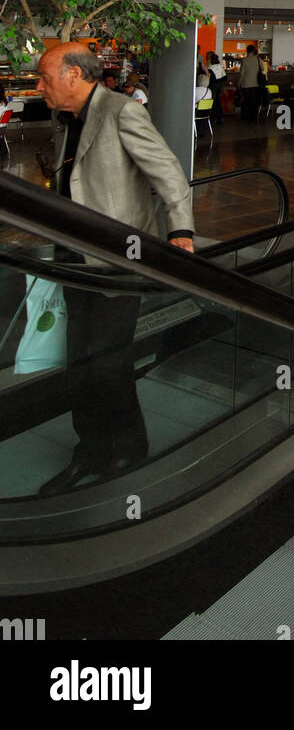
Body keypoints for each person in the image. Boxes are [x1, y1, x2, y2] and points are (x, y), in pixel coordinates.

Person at [34, 43, 195, 495]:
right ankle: (88, 450)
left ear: (73, 75)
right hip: (73, 259)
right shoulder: (65, 119)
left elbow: (168, 173)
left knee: (107, 363)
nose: (38, 86)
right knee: (80, 364)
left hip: (117, 259)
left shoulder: (121, 112)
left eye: (45, 77)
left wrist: (180, 231)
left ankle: (129, 446)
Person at [238, 44, 261, 122]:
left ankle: (245, 116)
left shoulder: (244, 60)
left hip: (246, 84)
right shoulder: (258, 60)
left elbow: (242, 73)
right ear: (254, 51)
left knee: (246, 101)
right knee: (254, 101)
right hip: (256, 84)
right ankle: (254, 116)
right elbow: (263, 70)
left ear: (247, 51)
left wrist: (239, 83)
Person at [206, 50, 227, 123]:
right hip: (220, 86)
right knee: (219, 101)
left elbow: (210, 79)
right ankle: (220, 117)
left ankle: (214, 117)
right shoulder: (220, 66)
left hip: (213, 86)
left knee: (214, 102)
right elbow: (225, 77)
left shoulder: (210, 68)